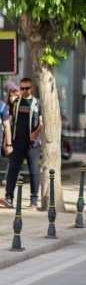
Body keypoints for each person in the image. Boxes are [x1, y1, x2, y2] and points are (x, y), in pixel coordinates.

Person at [1, 78, 42, 209]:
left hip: (32, 144)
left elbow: (42, 122)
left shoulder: (37, 104)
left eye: (27, 88)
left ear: (32, 88)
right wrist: (7, 141)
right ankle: (9, 198)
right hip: (17, 142)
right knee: (13, 170)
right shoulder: (16, 103)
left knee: (34, 171)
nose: (24, 91)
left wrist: (36, 134)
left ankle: (34, 201)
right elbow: (10, 122)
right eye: (22, 88)